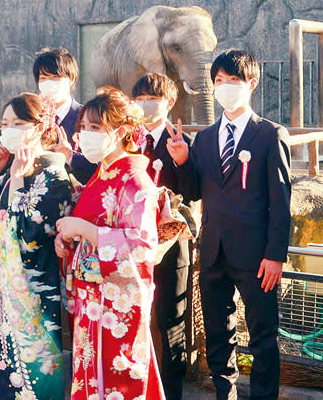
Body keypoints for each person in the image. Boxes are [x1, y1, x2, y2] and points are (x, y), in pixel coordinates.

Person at [166, 49, 291, 400]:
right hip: (213, 252)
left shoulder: (269, 134)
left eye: (232, 81)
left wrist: (276, 255)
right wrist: (182, 162)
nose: (224, 88)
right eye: (219, 81)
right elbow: (193, 191)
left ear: (251, 84)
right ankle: (226, 394)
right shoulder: (205, 138)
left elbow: (280, 201)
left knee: (263, 336)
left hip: (257, 256)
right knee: (219, 336)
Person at [55, 86, 165, 400]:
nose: (86, 135)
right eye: (84, 128)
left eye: (96, 128)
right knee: (90, 374)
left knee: (117, 376)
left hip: (115, 301)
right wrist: (71, 236)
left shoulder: (134, 178)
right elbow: (91, 217)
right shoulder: (103, 172)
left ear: (122, 132)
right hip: (92, 299)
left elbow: (139, 247)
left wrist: (84, 230)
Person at [0, 93, 72, 400]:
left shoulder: (54, 174)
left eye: (19, 123)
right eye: (6, 123)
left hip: (32, 291)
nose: (9, 130)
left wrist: (18, 180)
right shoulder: (12, 169)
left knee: (29, 372)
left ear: (40, 127)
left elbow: (29, 236)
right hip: (1, 285)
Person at [132, 72, 193, 400]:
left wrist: (182, 161)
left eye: (152, 98)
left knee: (170, 322)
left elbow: (192, 191)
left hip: (170, 247)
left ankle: (172, 392)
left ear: (169, 102)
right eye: (139, 99)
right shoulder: (128, 141)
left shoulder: (180, 141)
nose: (145, 105)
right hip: (133, 247)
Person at [33, 48, 97, 184]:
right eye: (43, 78)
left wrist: (71, 157)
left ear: (71, 79)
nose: (49, 83)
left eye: (55, 78)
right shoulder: (32, 119)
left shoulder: (88, 117)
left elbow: (99, 166)